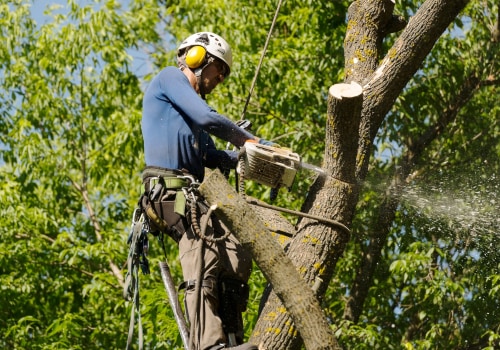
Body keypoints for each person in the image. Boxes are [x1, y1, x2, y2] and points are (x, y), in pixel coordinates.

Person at [140, 32, 271, 350]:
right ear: (199, 58)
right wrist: (246, 139)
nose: (220, 78)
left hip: (193, 194)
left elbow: (214, 158)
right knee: (203, 253)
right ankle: (209, 345)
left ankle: (231, 338)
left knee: (234, 255)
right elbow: (206, 116)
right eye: (219, 70)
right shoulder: (170, 79)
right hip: (170, 191)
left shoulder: (193, 119)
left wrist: (243, 154)